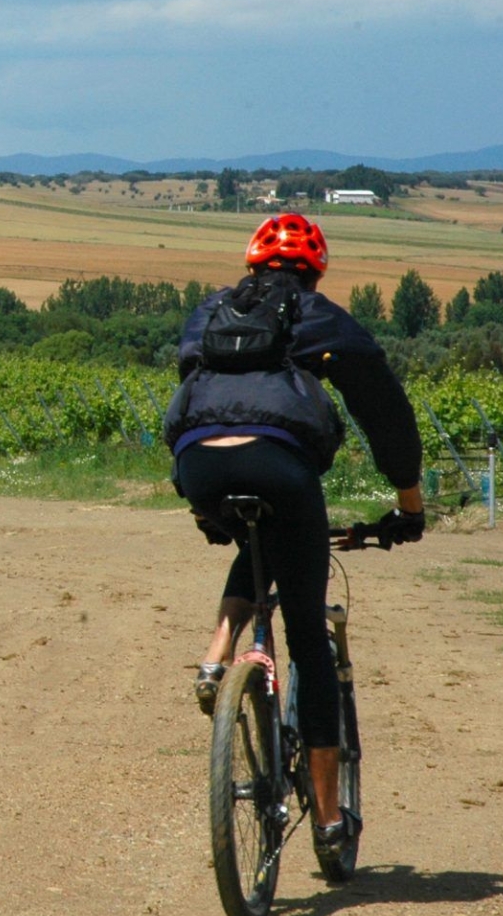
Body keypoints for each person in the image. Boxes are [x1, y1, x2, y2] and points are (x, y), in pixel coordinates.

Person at [164, 212, 425, 863]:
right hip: (279, 465)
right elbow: (380, 404)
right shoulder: (317, 315)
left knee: (256, 545)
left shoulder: (210, 311)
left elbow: (189, 381)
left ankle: (217, 649)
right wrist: (406, 499)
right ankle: (331, 815)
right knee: (308, 636)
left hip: (197, 461)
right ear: (314, 270)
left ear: (253, 263)